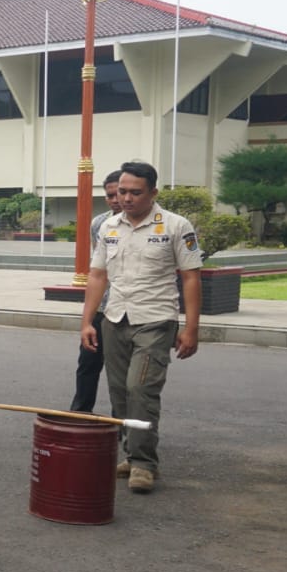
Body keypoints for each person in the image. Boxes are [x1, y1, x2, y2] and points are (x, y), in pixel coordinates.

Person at [79, 160, 200, 495]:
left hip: (155, 320)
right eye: (122, 192)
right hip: (115, 318)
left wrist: (191, 328)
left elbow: (190, 277)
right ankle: (131, 455)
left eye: (135, 192)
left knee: (140, 389)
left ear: (153, 193)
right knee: (118, 392)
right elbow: (98, 275)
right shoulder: (109, 227)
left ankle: (145, 464)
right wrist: (87, 321)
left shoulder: (175, 226)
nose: (127, 198)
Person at [70, 170, 124, 413]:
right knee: (88, 362)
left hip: (128, 309)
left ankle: (121, 422)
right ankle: (81, 413)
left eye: (119, 193)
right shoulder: (100, 223)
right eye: (110, 195)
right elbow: (98, 269)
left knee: (120, 371)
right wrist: (88, 317)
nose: (115, 199)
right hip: (102, 306)